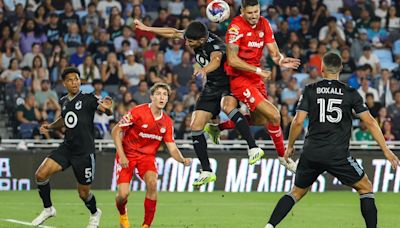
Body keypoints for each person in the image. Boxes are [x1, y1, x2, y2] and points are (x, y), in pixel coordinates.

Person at [264, 52, 400, 228]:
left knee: (296, 192)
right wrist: (386, 151)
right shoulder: (351, 93)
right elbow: (371, 123)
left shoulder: (310, 90)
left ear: (321, 69)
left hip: (311, 152)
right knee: (365, 187)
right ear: (341, 69)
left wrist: (289, 146)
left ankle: (269, 226)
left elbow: (297, 121)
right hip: (337, 154)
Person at [134, 19, 265, 186]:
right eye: (187, 40)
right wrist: (146, 27)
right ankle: (207, 170)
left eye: (190, 42)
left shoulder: (215, 45)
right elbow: (173, 31)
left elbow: (216, 61)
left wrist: (203, 70)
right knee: (195, 125)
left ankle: (253, 147)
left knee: (228, 106)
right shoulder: (194, 35)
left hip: (230, 82)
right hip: (212, 86)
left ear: (202, 40)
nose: (187, 43)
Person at [223, 0, 301, 172]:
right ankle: (284, 157)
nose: (253, 16)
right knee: (275, 115)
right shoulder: (235, 27)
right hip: (240, 79)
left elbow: (274, 53)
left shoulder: (264, 23)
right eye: (249, 13)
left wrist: (281, 60)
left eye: (256, 12)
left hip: (255, 80)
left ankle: (219, 127)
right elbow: (232, 60)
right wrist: (258, 70)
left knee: (261, 120)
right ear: (242, 11)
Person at [31, 67, 113, 227]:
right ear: (65, 83)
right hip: (67, 147)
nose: (74, 82)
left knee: (83, 193)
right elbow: (65, 119)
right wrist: (50, 127)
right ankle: (48, 209)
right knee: (40, 175)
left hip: (84, 152)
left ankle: (95, 213)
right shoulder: (63, 101)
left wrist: (108, 107)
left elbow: (105, 111)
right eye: (70, 80)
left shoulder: (89, 98)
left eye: (76, 79)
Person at [111, 82, 192, 228]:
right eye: (158, 94)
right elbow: (116, 131)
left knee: (153, 184)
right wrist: (122, 155)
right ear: (151, 97)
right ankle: (123, 214)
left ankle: (146, 225)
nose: (162, 97)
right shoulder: (138, 112)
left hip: (147, 157)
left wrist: (182, 159)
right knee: (123, 195)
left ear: (168, 99)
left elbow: (172, 148)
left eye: (165, 95)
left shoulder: (167, 122)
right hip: (128, 153)